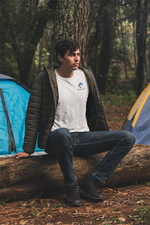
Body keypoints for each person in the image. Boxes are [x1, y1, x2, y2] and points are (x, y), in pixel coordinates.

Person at [13, 38, 136, 206]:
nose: (77, 59)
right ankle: (71, 186)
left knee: (127, 138)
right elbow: (33, 113)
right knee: (63, 133)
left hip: (83, 136)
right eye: (71, 55)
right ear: (60, 58)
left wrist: (101, 132)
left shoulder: (85, 76)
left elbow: (96, 109)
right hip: (56, 138)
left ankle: (92, 181)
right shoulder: (44, 79)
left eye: (78, 54)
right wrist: (28, 149)